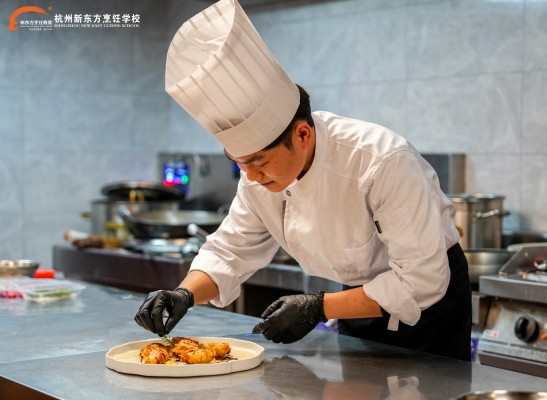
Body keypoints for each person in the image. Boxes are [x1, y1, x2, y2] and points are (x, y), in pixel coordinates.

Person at [135, 0, 472, 362]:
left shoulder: (381, 160)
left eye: (259, 162)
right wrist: (184, 294)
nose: (251, 176)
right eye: (239, 163)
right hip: (359, 299)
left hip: (430, 311)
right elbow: (230, 250)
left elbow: (421, 281)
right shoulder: (255, 178)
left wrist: (317, 307)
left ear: (302, 135)